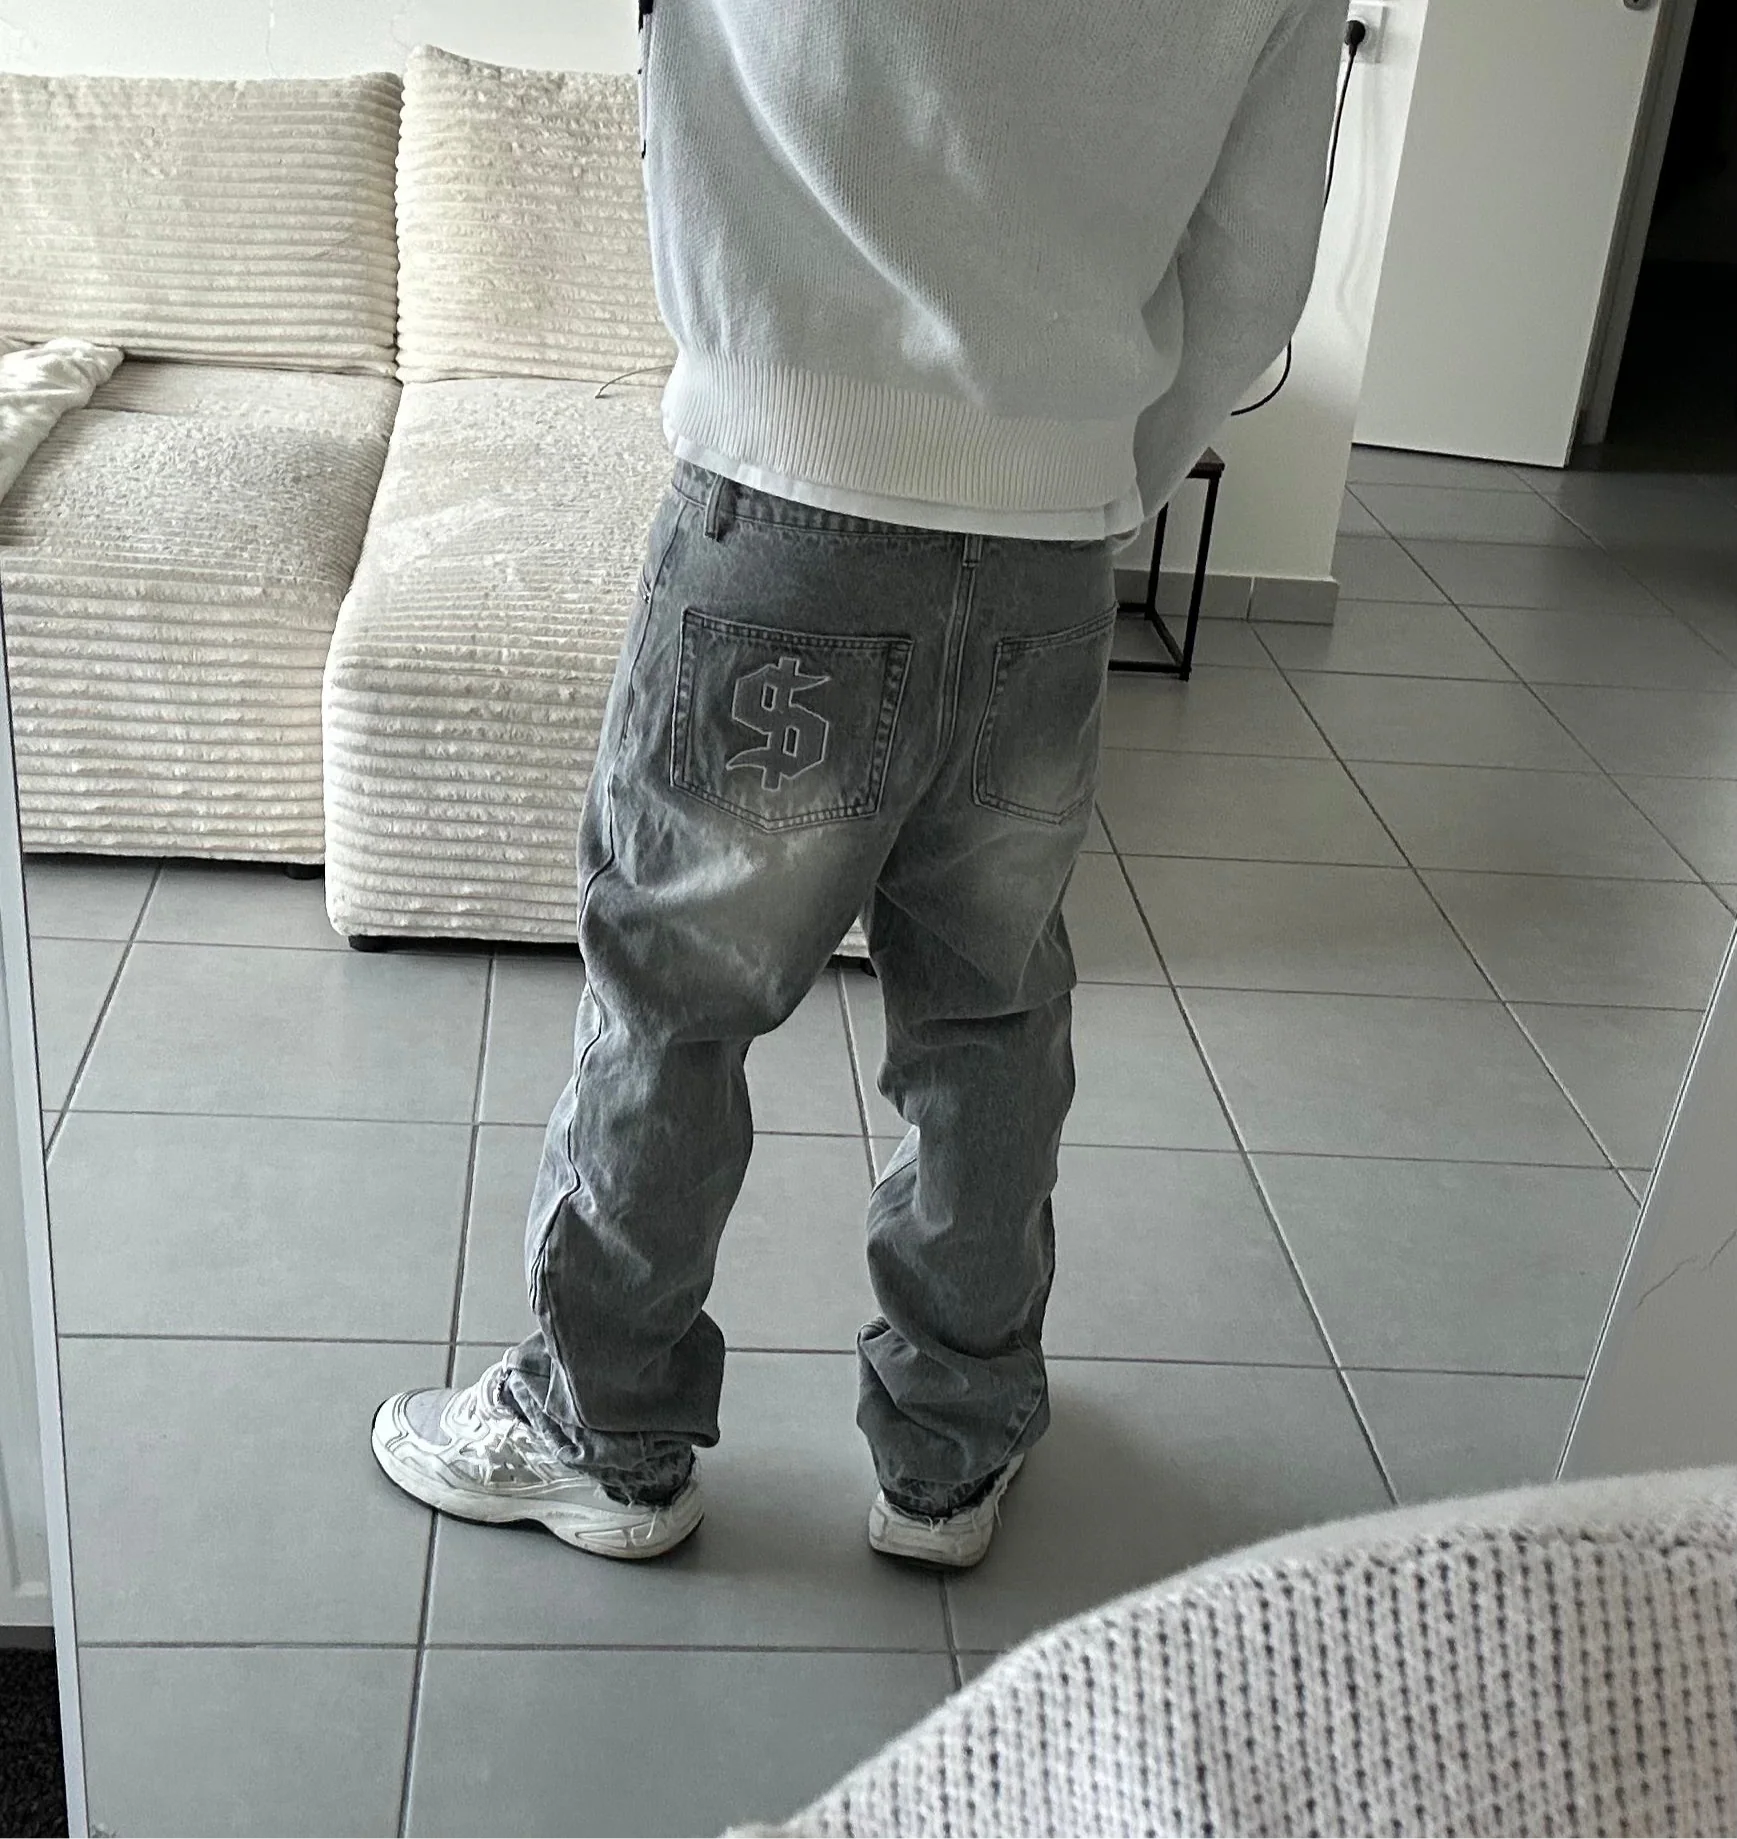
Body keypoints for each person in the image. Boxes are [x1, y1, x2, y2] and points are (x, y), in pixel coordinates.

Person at [372, 0, 1347, 1569]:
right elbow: (1258, 263)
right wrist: (1094, 479)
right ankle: (951, 1451)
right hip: (1048, 552)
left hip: (783, 506)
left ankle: (602, 1432)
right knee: (989, 1012)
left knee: (678, 999)